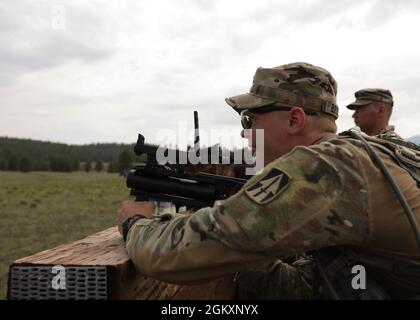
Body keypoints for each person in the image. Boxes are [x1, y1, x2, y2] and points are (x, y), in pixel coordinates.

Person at [117, 62, 420, 299]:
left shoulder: (326, 168)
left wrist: (136, 225)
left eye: (250, 120)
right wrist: (241, 248)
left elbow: (173, 256)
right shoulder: (373, 153)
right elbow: (308, 288)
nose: (244, 133)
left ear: (294, 120)